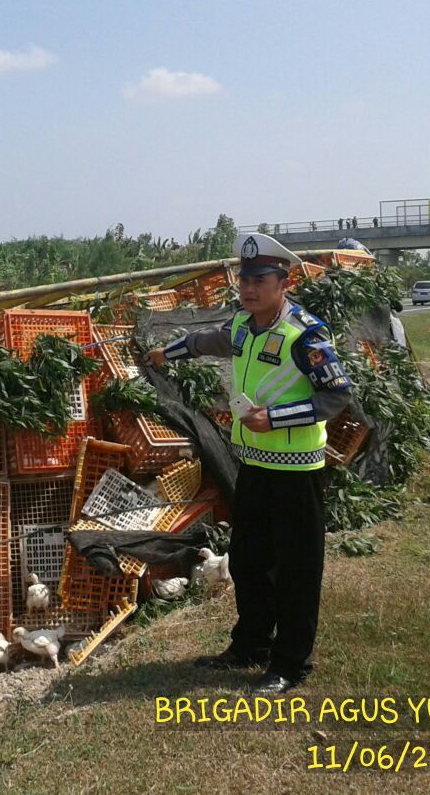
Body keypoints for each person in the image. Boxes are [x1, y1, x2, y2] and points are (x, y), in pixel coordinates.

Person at [145, 232, 354, 695]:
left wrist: (276, 418)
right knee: (248, 560)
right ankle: (250, 645)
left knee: (297, 569)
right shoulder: (243, 326)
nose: (249, 287)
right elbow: (208, 340)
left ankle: (290, 663)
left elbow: (337, 395)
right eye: (245, 278)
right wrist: (168, 352)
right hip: (254, 467)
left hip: (296, 472)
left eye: (260, 279)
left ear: (284, 281)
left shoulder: (306, 334)